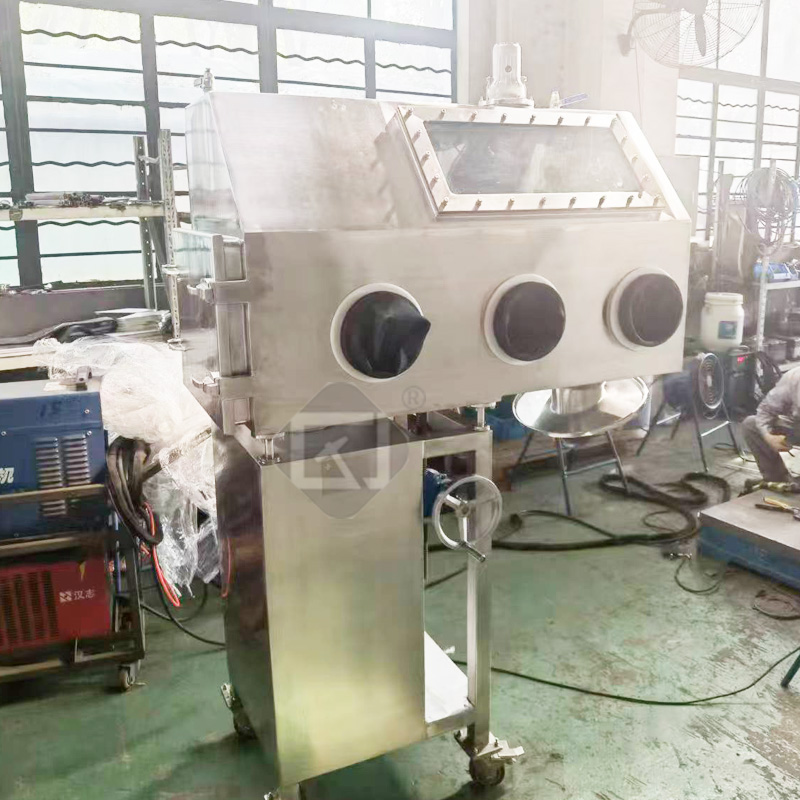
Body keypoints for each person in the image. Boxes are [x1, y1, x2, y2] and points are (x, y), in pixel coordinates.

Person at [742, 369, 800, 483]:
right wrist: (768, 437)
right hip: (797, 425)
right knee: (751, 425)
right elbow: (765, 411)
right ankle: (778, 481)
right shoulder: (794, 378)